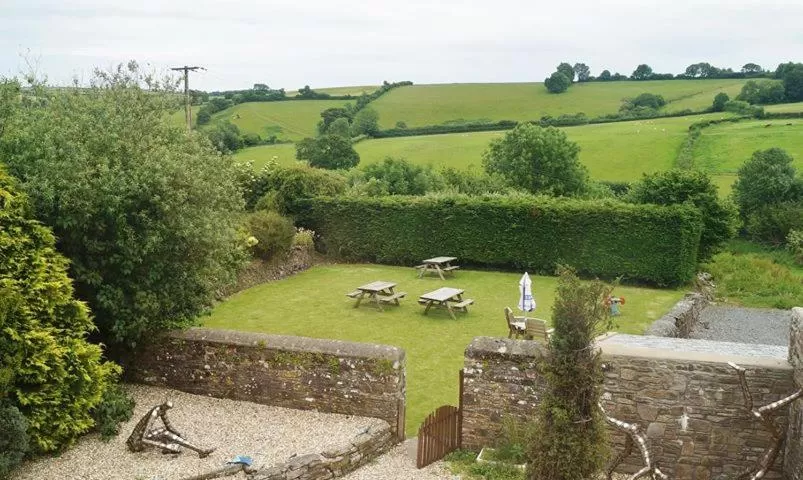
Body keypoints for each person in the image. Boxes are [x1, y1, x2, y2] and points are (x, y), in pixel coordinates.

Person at [126, 401, 215, 458]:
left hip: (139, 439)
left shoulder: (161, 410)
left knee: (165, 431)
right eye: (166, 408)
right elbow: (143, 439)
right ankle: (170, 448)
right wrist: (166, 446)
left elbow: (169, 426)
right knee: (165, 432)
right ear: (163, 405)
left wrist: (179, 434)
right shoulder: (154, 413)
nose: (166, 410)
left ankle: (200, 450)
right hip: (136, 443)